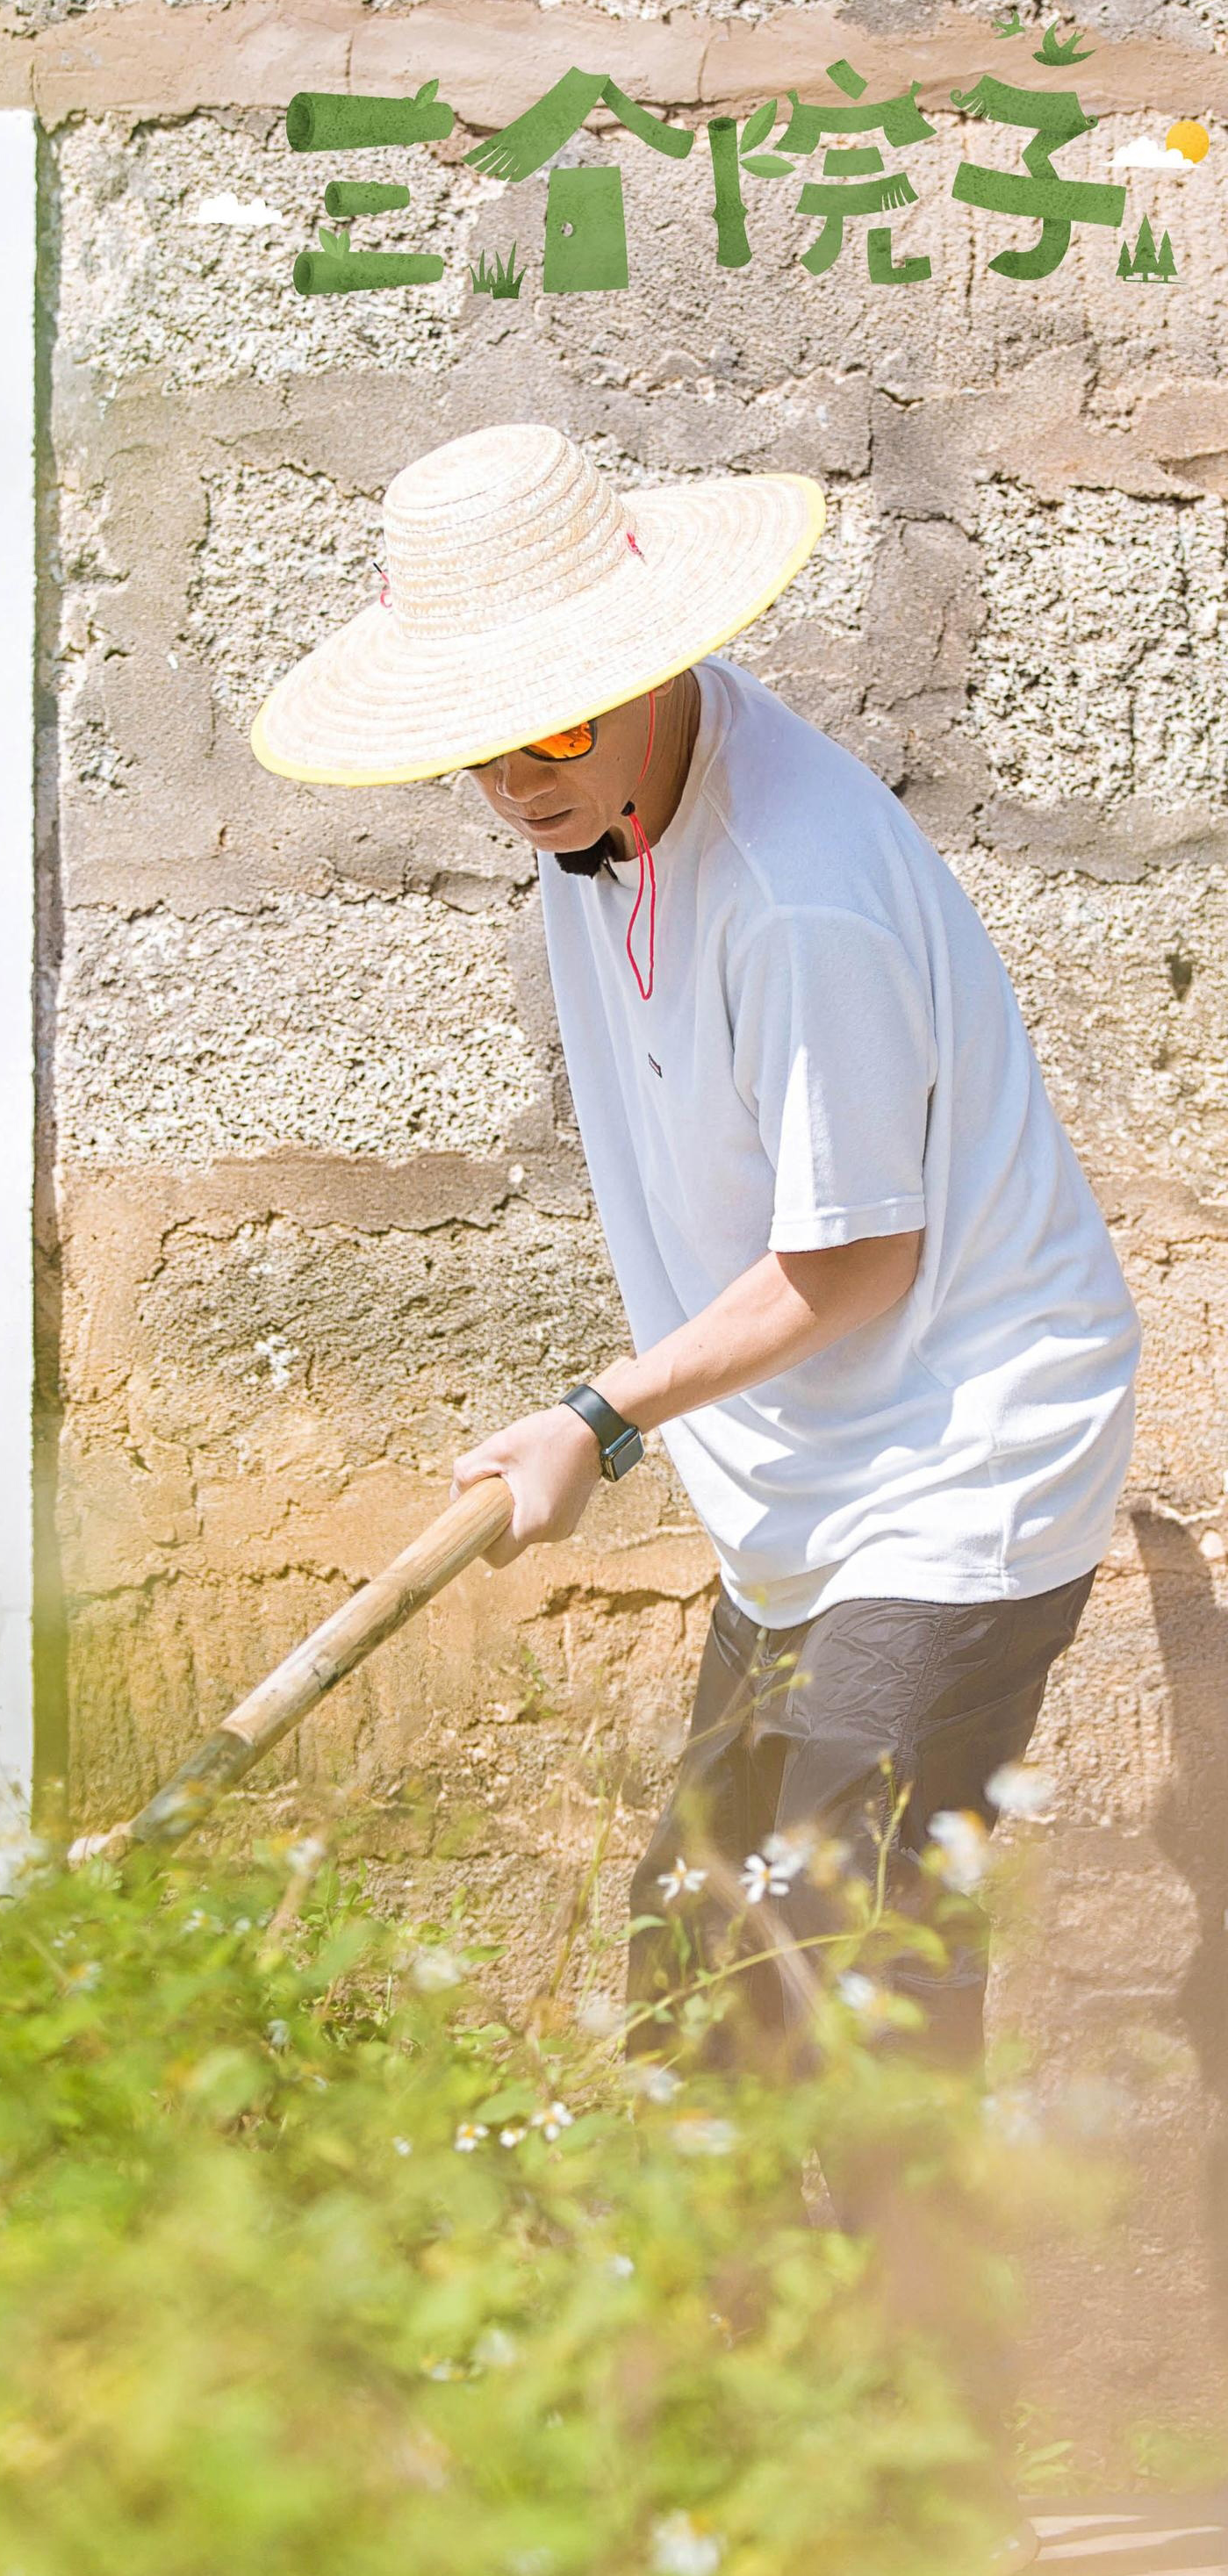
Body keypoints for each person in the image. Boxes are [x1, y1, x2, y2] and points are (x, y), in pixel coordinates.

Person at [249, 420, 1139, 2073]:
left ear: (653, 666)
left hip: (959, 1450)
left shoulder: (794, 888)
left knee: (843, 1960)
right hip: (804, 1456)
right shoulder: (595, 824)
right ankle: (720, 2332)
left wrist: (597, 1421)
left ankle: (915, 2323)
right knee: (694, 1960)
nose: (521, 785)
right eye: (482, 749)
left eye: (557, 730)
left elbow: (857, 1261)